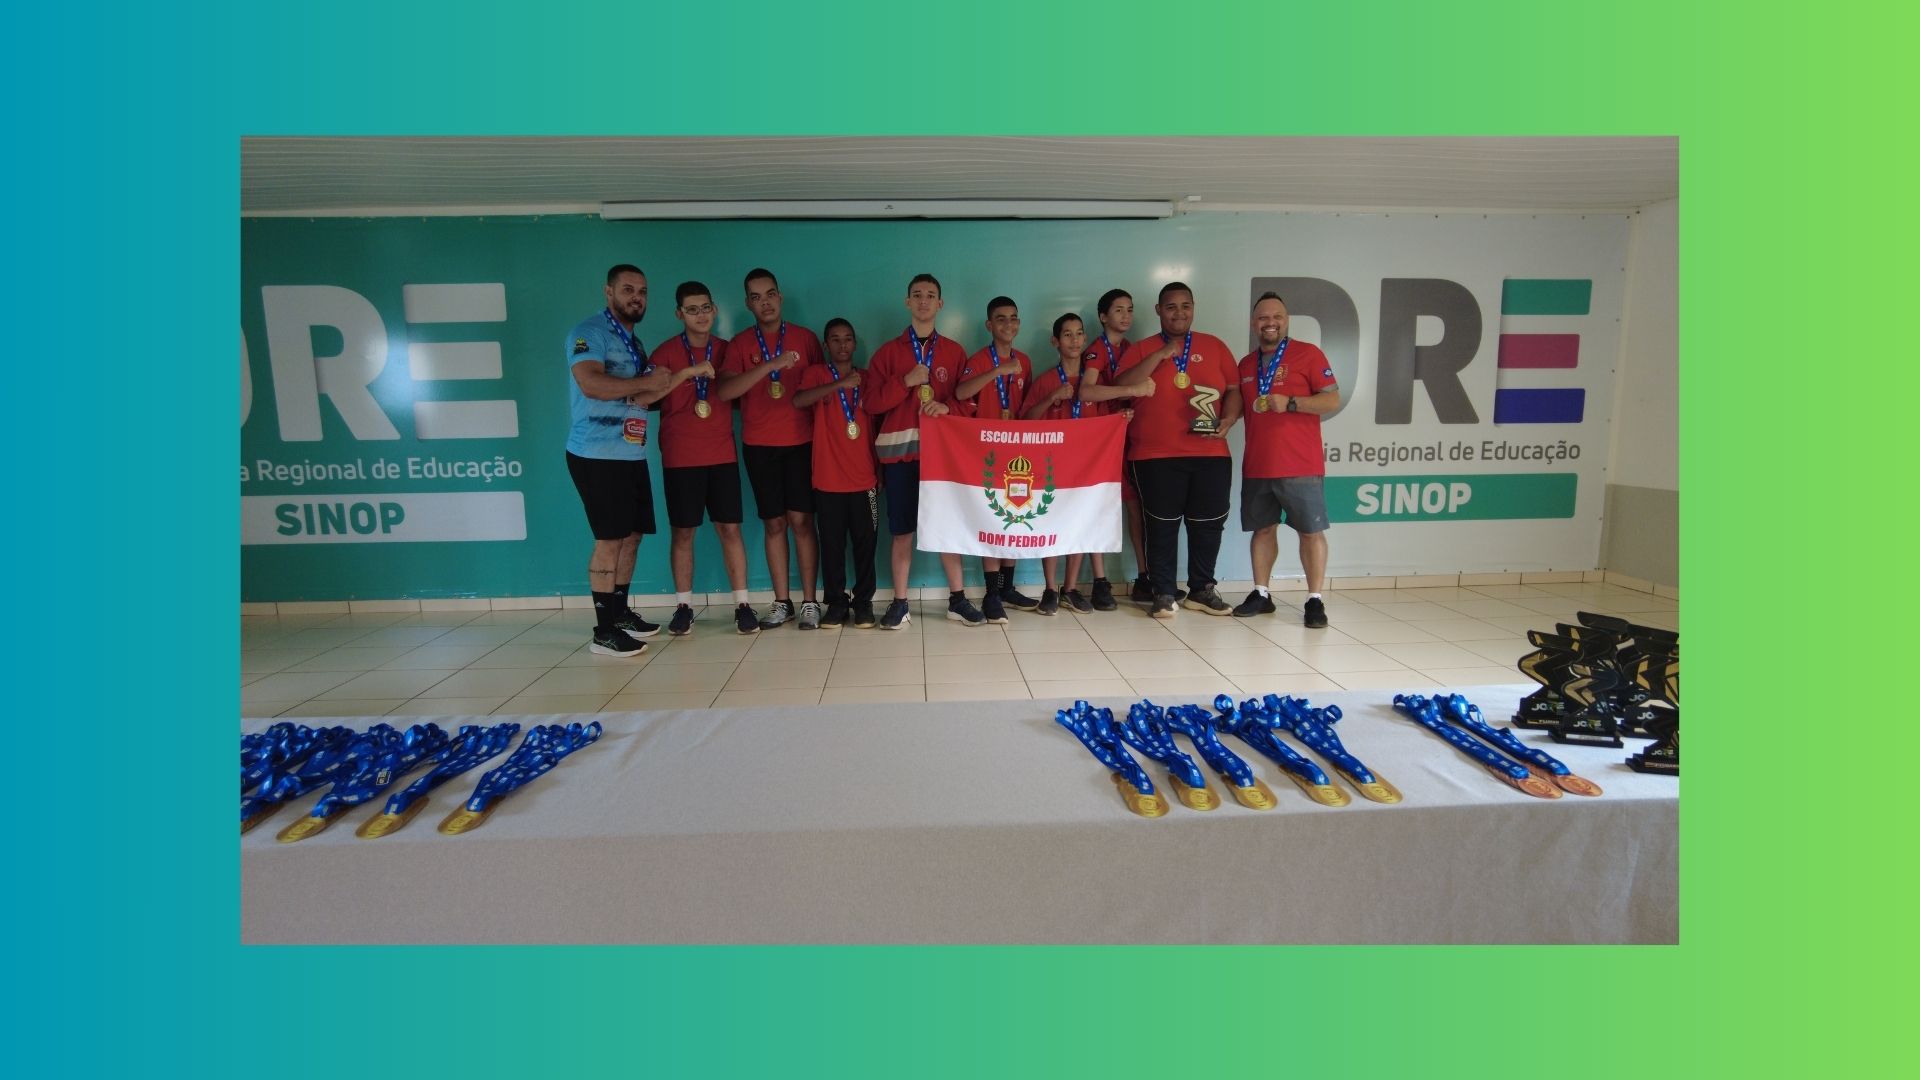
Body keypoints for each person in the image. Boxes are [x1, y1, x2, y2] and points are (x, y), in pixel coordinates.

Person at [861, 273, 985, 629]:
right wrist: (905, 382)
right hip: (900, 458)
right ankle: (900, 603)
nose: (923, 301)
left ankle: (957, 600)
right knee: (902, 532)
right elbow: (871, 404)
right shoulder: (888, 353)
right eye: (917, 295)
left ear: (940, 304)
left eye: (930, 295)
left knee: (948, 527)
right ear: (907, 302)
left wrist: (948, 408)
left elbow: (969, 402)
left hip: (942, 459)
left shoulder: (954, 352)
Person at [563, 264, 675, 656]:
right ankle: (604, 630)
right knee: (609, 540)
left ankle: (621, 612)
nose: (636, 297)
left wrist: (673, 383)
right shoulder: (588, 333)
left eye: (642, 291)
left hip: (630, 452)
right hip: (596, 454)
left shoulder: (634, 342)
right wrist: (647, 383)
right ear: (608, 292)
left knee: (632, 536)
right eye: (628, 289)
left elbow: (641, 398)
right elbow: (591, 383)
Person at [1113, 282, 1242, 619]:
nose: (1179, 313)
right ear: (1159, 310)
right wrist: (1159, 355)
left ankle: (1201, 590)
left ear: (1194, 308)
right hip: (1155, 455)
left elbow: (1233, 390)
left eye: (1186, 306)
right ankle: (1163, 592)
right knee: (1161, 526)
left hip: (1210, 452)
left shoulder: (1215, 346)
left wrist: (1229, 419)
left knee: (1208, 524)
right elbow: (1120, 388)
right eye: (1171, 307)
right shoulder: (1142, 348)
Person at [1023, 312, 1153, 614]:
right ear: (1055, 341)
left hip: (1087, 471)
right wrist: (1051, 398)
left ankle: (1069, 589)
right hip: (1054, 469)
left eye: (1079, 333)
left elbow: (1108, 421)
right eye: (1067, 334)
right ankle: (1049, 589)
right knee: (1051, 525)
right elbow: (1026, 420)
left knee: (1079, 525)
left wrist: (1121, 418)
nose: (1074, 340)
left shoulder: (1096, 383)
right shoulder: (1047, 380)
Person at [718, 268, 821, 630]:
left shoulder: (806, 339)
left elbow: (821, 387)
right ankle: (782, 602)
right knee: (774, 523)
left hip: (801, 442)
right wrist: (770, 365)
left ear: (780, 297)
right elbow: (725, 391)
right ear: (748, 304)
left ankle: (810, 601)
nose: (765, 302)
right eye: (756, 297)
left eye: (770, 294)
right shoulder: (740, 344)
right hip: (759, 445)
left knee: (802, 522)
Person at [654, 282, 759, 636]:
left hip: (721, 454)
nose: (700, 315)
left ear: (714, 310)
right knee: (683, 532)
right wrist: (687, 373)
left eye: (705, 308)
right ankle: (683, 606)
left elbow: (741, 393)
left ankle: (742, 604)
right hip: (680, 457)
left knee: (730, 529)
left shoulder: (727, 350)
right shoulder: (666, 352)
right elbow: (647, 395)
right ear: (679, 314)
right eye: (692, 309)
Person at [1233, 292, 1339, 628]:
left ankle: (1314, 599)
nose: (1270, 323)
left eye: (1277, 316)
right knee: (1262, 529)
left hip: (1300, 464)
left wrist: (1292, 402)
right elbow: (1238, 406)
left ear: (1286, 320)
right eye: (1263, 317)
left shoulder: (1308, 354)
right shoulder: (1245, 365)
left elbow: (1332, 399)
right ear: (1253, 323)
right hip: (1258, 465)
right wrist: (1220, 423)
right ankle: (1261, 593)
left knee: (1310, 532)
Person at [953, 296, 1037, 621]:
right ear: (989, 325)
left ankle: (1007, 588)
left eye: (1013, 318)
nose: (1008, 324)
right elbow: (961, 393)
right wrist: (998, 370)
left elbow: (1027, 406)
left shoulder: (1025, 361)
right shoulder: (978, 360)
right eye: (1000, 318)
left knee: (1015, 516)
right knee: (992, 521)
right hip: (985, 453)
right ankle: (991, 593)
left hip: (1017, 454)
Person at [791, 318, 879, 629]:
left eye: (848, 339)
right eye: (835, 339)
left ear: (855, 343)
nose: (842, 345)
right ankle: (837, 603)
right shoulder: (816, 374)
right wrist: (838, 385)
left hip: (864, 478)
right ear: (825, 345)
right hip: (828, 479)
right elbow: (799, 400)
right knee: (831, 546)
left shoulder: (867, 378)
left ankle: (864, 602)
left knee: (866, 545)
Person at [1089, 289, 1151, 605]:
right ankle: (1100, 581)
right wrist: (1130, 390)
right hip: (1102, 441)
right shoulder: (1095, 350)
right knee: (1099, 507)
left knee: (1136, 508)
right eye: (1118, 310)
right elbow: (1087, 392)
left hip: (1130, 438)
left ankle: (1144, 576)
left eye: (1130, 309)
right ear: (1103, 317)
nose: (1126, 316)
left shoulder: (1133, 349)